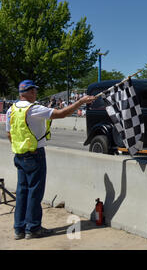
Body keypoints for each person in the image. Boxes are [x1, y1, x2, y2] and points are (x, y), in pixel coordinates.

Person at [5, 80, 96, 240]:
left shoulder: (11, 110)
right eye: (34, 91)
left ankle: (19, 229)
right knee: (34, 192)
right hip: (35, 154)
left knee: (22, 192)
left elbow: (9, 134)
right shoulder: (34, 109)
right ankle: (33, 228)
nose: (36, 94)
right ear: (29, 92)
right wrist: (80, 102)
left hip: (19, 154)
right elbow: (61, 114)